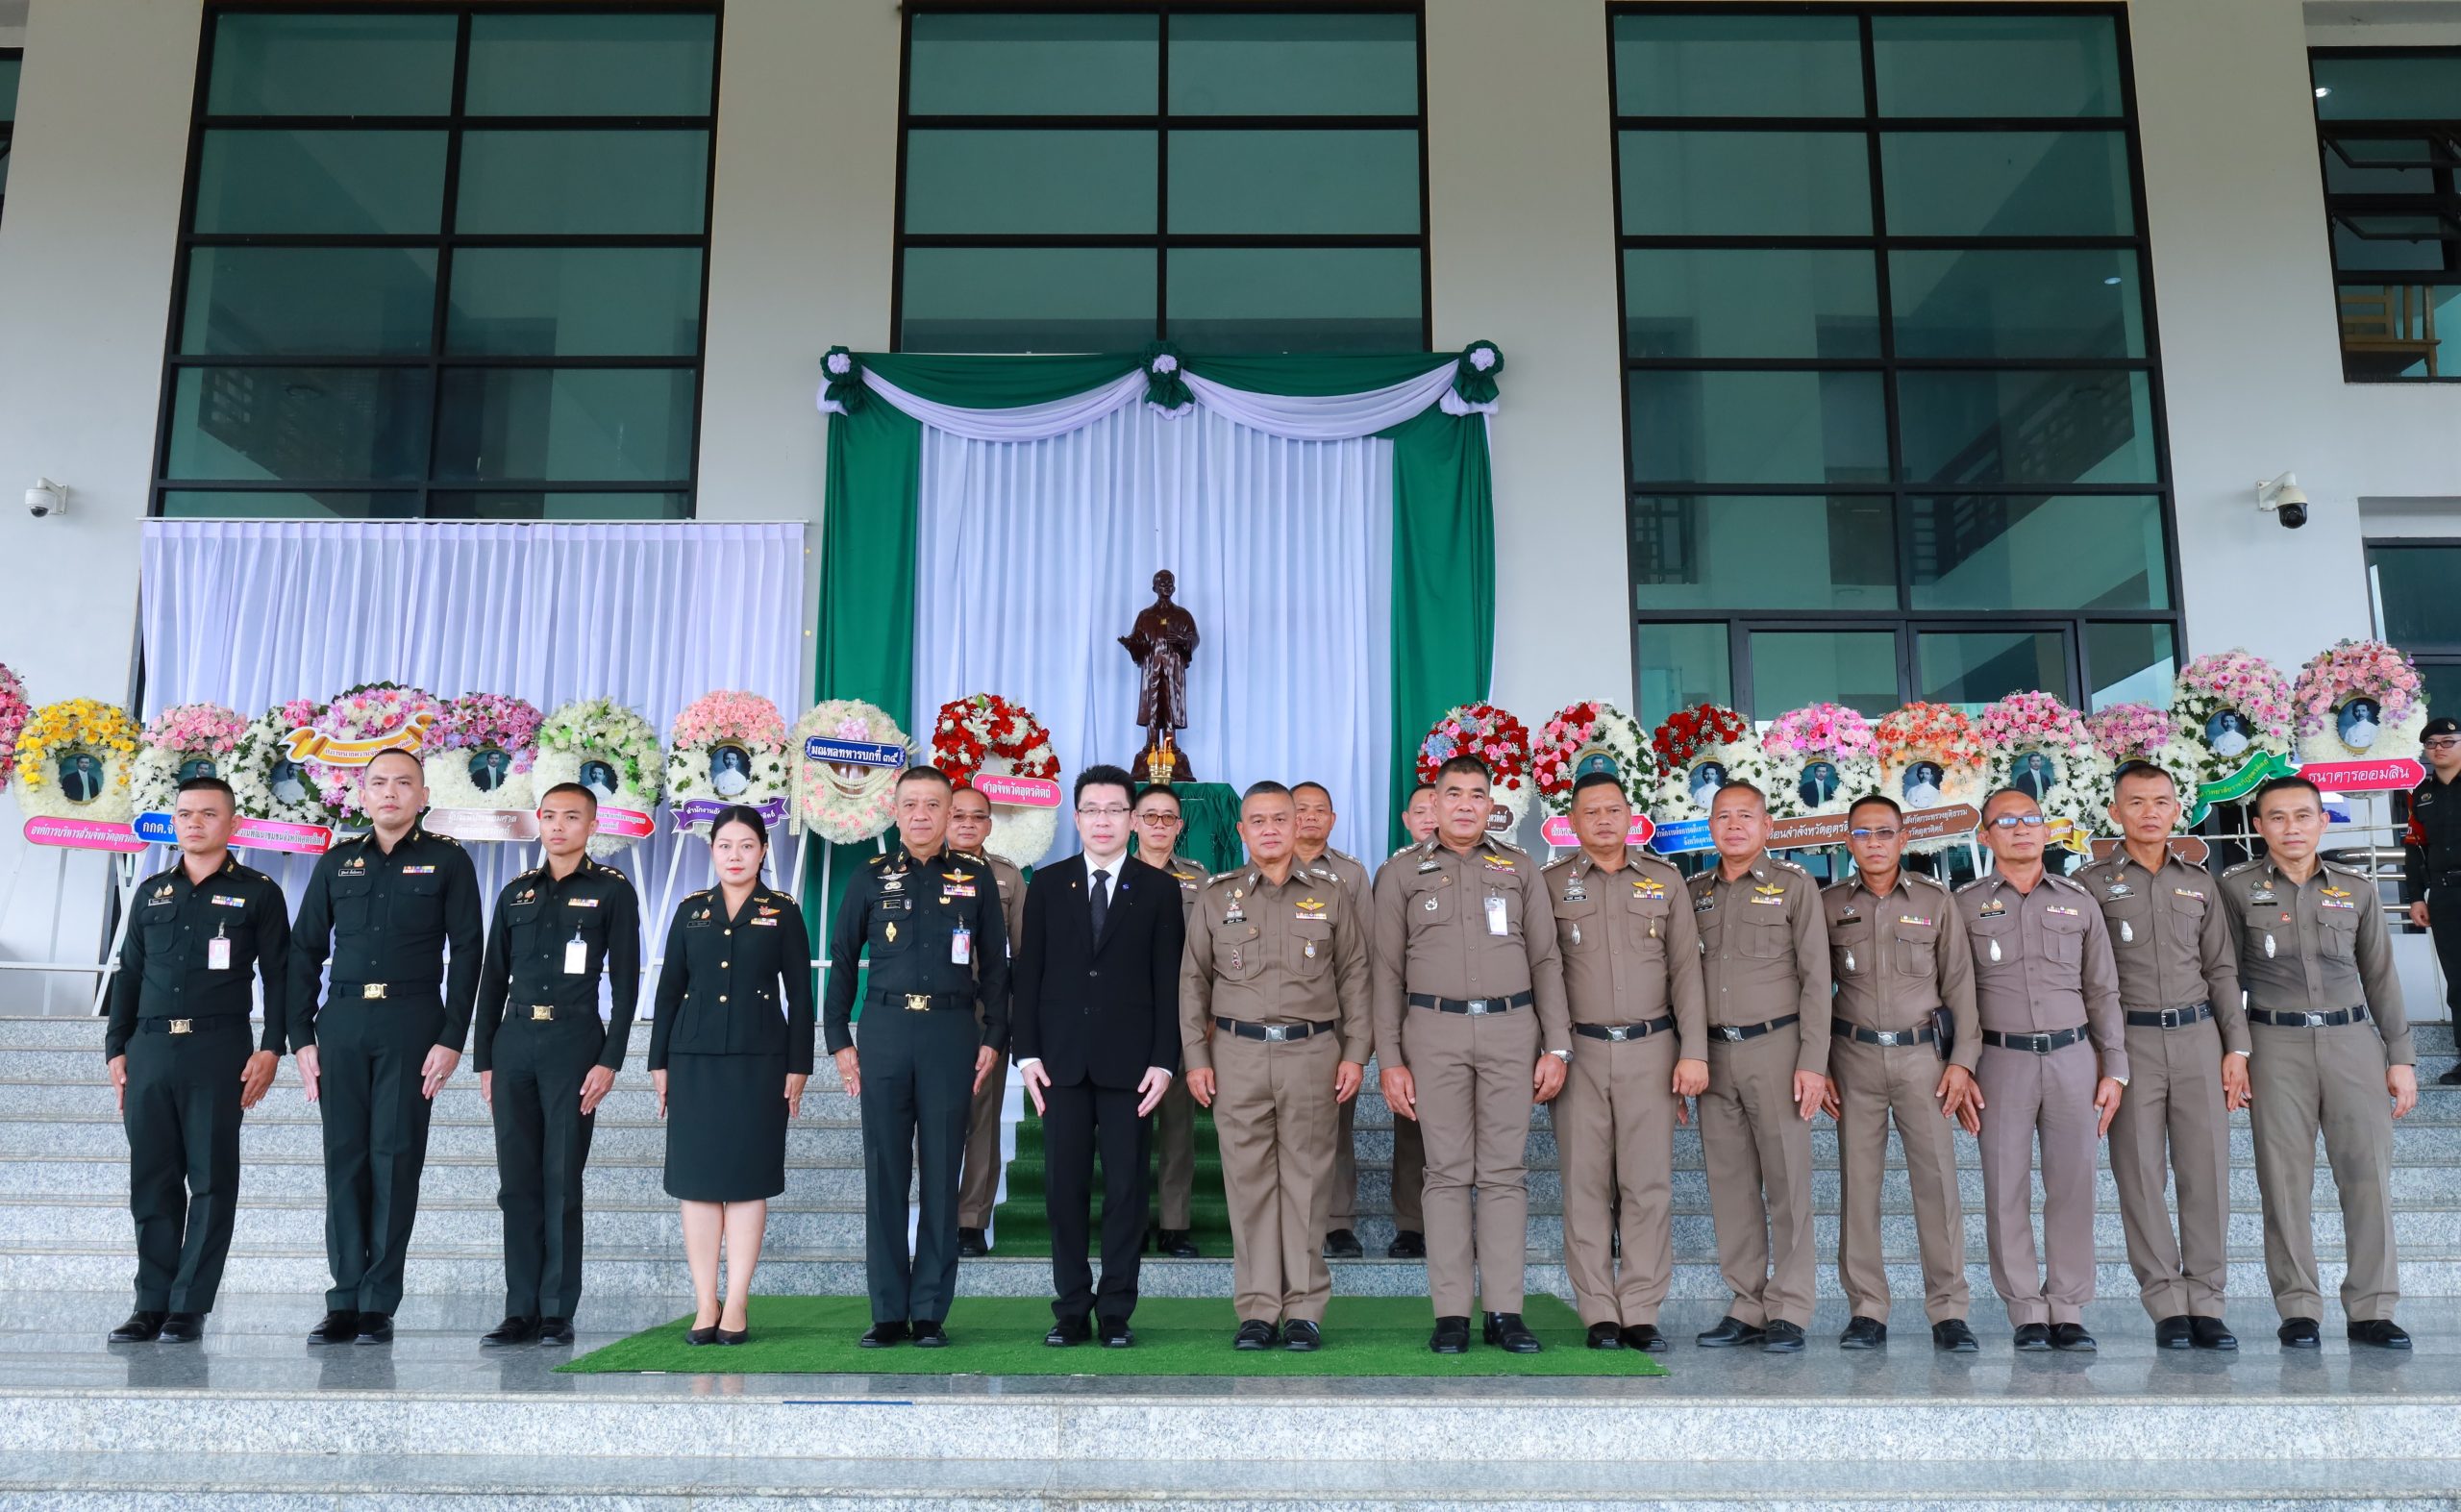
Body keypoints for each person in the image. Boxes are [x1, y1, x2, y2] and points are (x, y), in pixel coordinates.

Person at [1373, 756, 1570, 1354]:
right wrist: (1390, 1058)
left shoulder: (1520, 867)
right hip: (1433, 1032)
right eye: (1452, 793)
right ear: (1433, 803)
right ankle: (1452, 1313)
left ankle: (1506, 1311)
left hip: (1512, 1030)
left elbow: (1545, 960)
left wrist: (1556, 1045)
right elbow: (1384, 971)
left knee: (1505, 1174)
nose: (1464, 804)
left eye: (1476, 795)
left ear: (1491, 806)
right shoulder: (1402, 872)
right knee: (1446, 1174)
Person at [287, 749, 484, 1346]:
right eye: (379, 783)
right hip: (342, 1021)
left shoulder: (448, 861)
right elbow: (303, 951)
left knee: (395, 1161)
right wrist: (300, 1036)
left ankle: (378, 1301)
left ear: (423, 795)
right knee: (344, 1160)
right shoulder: (337, 862)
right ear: (362, 795)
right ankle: (344, 1297)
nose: (391, 793)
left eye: (404, 783)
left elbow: (469, 952)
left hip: (411, 1021)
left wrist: (452, 1037)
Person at [2223, 776, 2419, 1351]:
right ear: (2258, 826)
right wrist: (2234, 1050)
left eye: (2303, 816)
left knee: (2367, 1179)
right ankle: (2298, 1307)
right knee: (2284, 1183)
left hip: (2352, 1041)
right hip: (2273, 1044)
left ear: (2322, 821)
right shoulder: (2233, 890)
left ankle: (2372, 1308)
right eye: (2277, 817)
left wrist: (2399, 1056)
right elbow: (2223, 976)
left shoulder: (2356, 889)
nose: (2291, 828)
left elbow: (2381, 976)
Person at [1181, 781, 1370, 1350]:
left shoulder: (1333, 895)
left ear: (1297, 827)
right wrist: (1195, 1056)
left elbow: (1356, 978)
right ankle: (1259, 1308)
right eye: (1257, 821)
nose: (1269, 830)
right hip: (1236, 1055)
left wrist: (1357, 1053)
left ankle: (1305, 1308)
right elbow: (1193, 982)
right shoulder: (1218, 897)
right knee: (1249, 1184)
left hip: (1312, 1053)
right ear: (1242, 831)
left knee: (1309, 1184)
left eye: (1279, 820)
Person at [827, 767, 1009, 1349]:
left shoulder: (975, 878)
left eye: (936, 805)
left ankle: (929, 1310)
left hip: (952, 1033)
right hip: (884, 1030)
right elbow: (841, 956)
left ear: (952, 811)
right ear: (895, 811)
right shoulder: (870, 876)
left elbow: (997, 967)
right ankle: (886, 1310)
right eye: (912, 805)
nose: (923, 815)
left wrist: (994, 1037)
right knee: (884, 1172)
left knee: (939, 1171)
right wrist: (838, 1039)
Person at [104, 776, 287, 1345]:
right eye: (185, 814)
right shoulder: (152, 891)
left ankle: (189, 1304)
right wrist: (117, 1048)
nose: (195, 823)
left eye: (208, 814)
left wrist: (271, 1047)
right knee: (152, 1180)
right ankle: (150, 1302)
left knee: (210, 1179)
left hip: (218, 1048)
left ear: (231, 824)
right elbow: (129, 973)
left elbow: (281, 976)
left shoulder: (258, 892)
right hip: (152, 1048)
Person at [1012, 765, 1186, 1348]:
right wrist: (1027, 1055)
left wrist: (1165, 1062)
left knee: (1127, 1190)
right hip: (1059, 1065)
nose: (1104, 820)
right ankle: (1069, 1307)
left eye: (1116, 809)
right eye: (1093, 809)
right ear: (1078, 817)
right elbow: (1027, 975)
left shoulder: (1159, 890)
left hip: (1132, 1068)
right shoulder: (1047, 884)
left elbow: (1170, 982)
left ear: (1134, 820)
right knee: (1063, 1191)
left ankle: (1115, 1309)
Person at [2077, 762, 2247, 1351]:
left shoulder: (2201, 883)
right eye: (2136, 802)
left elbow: (2222, 969)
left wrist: (2237, 1047)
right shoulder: (2089, 884)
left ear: (2178, 810)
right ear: (2115, 812)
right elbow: (2084, 980)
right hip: (2129, 1044)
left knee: (2206, 1173)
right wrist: (2102, 1057)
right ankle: (2167, 1303)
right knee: (2140, 1173)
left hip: (2199, 1037)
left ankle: (2207, 1298)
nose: (2150, 812)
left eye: (2161, 801)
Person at [468, 782, 640, 1349]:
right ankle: (519, 1308)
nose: (559, 826)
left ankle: (556, 1310)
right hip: (515, 1039)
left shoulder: (612, 891)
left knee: (562, 1179)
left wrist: (609, 1060)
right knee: (516, 1183)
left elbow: (626, 980)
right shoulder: (516, 893)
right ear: (538, 823)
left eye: (572, 817)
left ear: (592, 825)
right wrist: (486, 1059)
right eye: (549, 817)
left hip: (573, 1041)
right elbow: (492, 978)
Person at [1955, 788, 2127, 1351]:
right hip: (1998, 1060)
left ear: (2047, 830)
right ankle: (2026, 1308)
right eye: (2006, 822)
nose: (2021, 830)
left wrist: (2115, 1068)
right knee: (2005, 1185)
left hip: (2073, 1057)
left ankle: (2069, 1306)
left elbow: (2103, 990)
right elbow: (1950, 996)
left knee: (2073, 1183)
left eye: (2031, 820)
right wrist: (1958, 1067)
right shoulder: (1963, 904)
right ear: (1986, 836)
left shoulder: (2079, 902)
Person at [1543, 771, 1705, 1351]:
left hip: (1651, 1049)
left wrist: (1693, 1052)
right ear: (1573, 822)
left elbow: (1687, 972)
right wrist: (1554, 1048)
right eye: (1592, 812)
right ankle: (1597, 1313)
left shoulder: (1663, 882)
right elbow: (1545, 975)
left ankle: (1639, 1308)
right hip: (1579, 1053)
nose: (1604, 820)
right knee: (1584, 1184)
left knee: (1647, 1185)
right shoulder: (1550, 885)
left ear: (1630, 816)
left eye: (1614, 809)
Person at [648, 806, 814, 1346]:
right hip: (693, 1059)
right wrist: (658, 1062)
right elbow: (669, 990)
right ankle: (704, 1302)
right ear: (711, 850)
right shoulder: (691, 910)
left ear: (764, 851)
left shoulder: (783, 911)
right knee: (696, 1186)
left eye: (746, 845)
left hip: (759, 1061)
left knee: (746, 1184)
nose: (735, 855)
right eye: (725, 845)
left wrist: (798, 1065)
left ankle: (737, 1300)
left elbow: (801, 997)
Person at [1822, 794, 1980, 1353]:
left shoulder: (1936, 901)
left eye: (1884, 832)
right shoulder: (1828, 904)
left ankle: (1948, 1311)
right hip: (1854, 1057)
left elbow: (1960, 985)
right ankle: (1867, 1310)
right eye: (1862, 834)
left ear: (1903, 837)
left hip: (1924, 1061)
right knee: (1858, 1188)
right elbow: (1814, 991)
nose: (1874, 843)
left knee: (1937, 1185)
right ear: (1848, 842)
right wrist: (1817, 1065)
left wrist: (1962, 1061)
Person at [1685, 781, 1830, 1353]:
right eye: (1723, 816)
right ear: (1711, 827)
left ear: (1767, 827)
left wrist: (1813, 1063)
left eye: (1747, 816)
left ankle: (1790, 1307)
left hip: (1777, 1048)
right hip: (1713, 1055)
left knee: (1788, 1185)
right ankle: (1746, 1304)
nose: (1735, 826)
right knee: (1731, 1186)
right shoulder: (1692, 892)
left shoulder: (1793, 887)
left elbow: (1819, 980)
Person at [1290, 781, 1382, 1259]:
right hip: (1279, 1018)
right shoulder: (1264, 869)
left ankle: (1338, 1220)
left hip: (1334, 1022)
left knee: (1336, 1126)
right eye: (1299, 809)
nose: (1309, 817)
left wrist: (1358, 1034)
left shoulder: (1350, 874)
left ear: (1333, 819)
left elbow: (1363, 957)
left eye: (1318, 810)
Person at [950, 782, 1029, 1255]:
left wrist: (1012, 1022)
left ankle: (970, 1221)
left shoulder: (1008, 878)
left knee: (983, 1118)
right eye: (957, 815)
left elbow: (1024, 954)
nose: (966, 824)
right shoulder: (919, 870)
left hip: (986, 1014)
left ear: (989, 824)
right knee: (935, 1120)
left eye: (976, 817)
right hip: (931, 1014)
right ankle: (938, 1208)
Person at [1358, 783, 1435, 1262]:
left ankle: (1460, 1221)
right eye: (1420, 811)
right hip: (1413, 1012)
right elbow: (1382, 955)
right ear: (1406, 820)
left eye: (1437, 808)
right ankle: (1411, 1224)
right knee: (1413, 1122)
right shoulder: (1395, 871)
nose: (1430, 818)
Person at [1131, 782, 1206, 1259]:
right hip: (1125, 1015)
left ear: (1180, 826)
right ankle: (1131, 1220)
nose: (1159, 825)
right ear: (1133, 821)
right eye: (1150, 816)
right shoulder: (1111, 873)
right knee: (1127, 1127)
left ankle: (1174, 1223)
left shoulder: (1201, 881)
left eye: (1168, 818)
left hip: (1182, 1015)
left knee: (1178, 1126)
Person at [2400, 716, 2461, 1085]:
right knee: (2457, 979)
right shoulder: (2420, 794)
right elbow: (2414, 850)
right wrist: (2414, 897)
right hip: (2443, 894)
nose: (2438, 748)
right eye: (2431, 743)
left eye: (2448, 741)